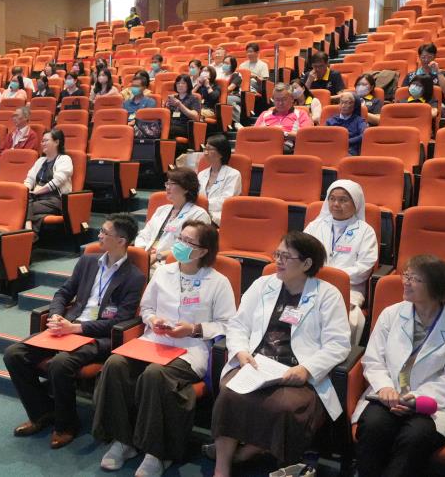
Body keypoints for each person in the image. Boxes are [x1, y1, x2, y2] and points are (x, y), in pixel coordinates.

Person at [92, 221, 236, 475]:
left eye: (188, 242)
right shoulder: (163, 272)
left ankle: (157, 452)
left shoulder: (218, 281)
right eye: (180, 238)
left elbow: (227, 324)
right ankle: (123, 441)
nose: (180, 244)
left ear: (203, 251)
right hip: (155, 341)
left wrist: (193, 329)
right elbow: (147, 308)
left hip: (191, 348)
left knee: (155, 374)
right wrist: (153, 320)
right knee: (115, 364)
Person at [212, 232, 351, 475]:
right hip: (256, 365)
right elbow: (238, 324)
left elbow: (338, 344)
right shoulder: (262, 285)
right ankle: (222, 466)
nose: (278, 260)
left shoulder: (328, 295)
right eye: (277, 254)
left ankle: (261, 455)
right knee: (230, 395)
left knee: (286, 407)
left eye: (286, 256)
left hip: (296, 372)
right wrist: (241, 352)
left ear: (307, 263)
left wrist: (307, 369)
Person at [4, 213, 144, 447]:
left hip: (97, 337)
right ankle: (42, 412)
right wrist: (56, 315)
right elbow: (63, 293)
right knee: (14, 354)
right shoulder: (88, 261)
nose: (99, 235)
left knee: (60, 364)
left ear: (121, 240)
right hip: (67, 327)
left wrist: (76, 328)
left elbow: (121, 321)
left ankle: (67, 425)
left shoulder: (134, 277)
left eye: (105, 232)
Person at [354, 255, 445, 477]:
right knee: (373, 427)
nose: (406, 282)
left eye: (415, 279)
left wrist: (416, 398)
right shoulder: (391, 314)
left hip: (436, 406)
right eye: (406, 276)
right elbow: (373, 359)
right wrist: (385, 387)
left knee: (415, 437)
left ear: (436, 286)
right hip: (388, 396)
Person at [303, 180, 378, 343]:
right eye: (332, 199)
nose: (336, 204)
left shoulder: (366, 231)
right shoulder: (315, 226)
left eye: (343, 200)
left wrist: (334, 277)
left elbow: (364, 267)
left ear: (355, 203)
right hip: (312, 283)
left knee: (346, 320)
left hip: (349, 289)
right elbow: (301, 254)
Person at [136, 167, 211, 266]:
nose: (167, 187)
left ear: (186, 188)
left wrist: (158, 256)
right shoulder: (161, 209)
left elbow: (190, 248)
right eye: (167, 183)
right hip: (147, 258)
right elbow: (144, 234)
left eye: (172, 184)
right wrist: (141, 252)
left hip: (171, 263)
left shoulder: (198, 214)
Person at [24, 130, 73, 235]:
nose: (42, 143)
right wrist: (25, 191)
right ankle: (29, 232)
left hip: (55, 200)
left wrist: (37, 192)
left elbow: (57, 181)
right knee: (22, 201)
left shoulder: (64, 159)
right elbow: (29, 179)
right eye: (42, 141)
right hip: (37, 198)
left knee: (22, 207)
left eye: (46, 140)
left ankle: (27, 231)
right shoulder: (40, 160)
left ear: (57, 142)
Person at [253, 82, 312, 153]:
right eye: (277, 100)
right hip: (262, 146)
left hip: (288, 148)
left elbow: (306, 136)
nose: (280, 103)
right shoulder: (264, 114)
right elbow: (254, 134)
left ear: (292, 99)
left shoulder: (301, 114)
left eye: (284, 99)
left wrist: (282, 133)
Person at [198, 135, 242, 224]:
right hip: (201, 213)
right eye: (205, 149)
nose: (205, 153)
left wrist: (203, 204)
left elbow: (226, 201)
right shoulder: (201, 174)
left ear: (221, 153)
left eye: (209, 149)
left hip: (219, 217)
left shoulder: (233, 174)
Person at [166, 75, 202, 142]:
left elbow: (195, 117)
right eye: (178, 83)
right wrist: (166, 107)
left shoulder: (193, 98)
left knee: (167, 129)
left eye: (183, 83)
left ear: (188, 85)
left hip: (185, 126)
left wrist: (180, 105)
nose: (180, 85)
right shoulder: (173, 98)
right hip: (172, 125)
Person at [221, 55, 243, 120]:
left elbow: (230, 88)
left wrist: (219, 93)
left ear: (232, 65)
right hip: (222, 94)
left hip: (235, 96)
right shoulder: (220, 75)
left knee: (227, 98)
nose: (224, 65)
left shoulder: (236, 75)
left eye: (227, 63)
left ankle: (236, 121)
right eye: (224, 63)